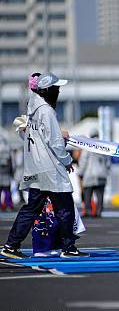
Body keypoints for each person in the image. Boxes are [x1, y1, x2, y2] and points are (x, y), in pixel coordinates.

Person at [1, 72, 88, 259]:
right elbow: (55, 142)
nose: (58, 91)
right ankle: (68, 247)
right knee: (65, 208)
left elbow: (27, 135)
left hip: (35, 168)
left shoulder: (32, 110)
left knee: (30, 208)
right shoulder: (46, 111)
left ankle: (11, 245)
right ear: (47, 90)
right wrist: (67, 161)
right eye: (56, 88)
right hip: (50, 169)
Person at [78, 128, 111, 217]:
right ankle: (99, 211)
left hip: (90, 173)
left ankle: (88, 211)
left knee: (88, 194)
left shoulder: (88, 145)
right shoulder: (104, 145)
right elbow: (108, 161)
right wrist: (107, 171)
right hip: (101, 173)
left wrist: (80, 172)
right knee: (100, 194)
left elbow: (83, 160)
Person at [0, 133, 14, 211]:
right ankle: (9, 205)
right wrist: (12, 173)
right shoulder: (7, 151)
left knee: (6, 191)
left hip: (2, 174)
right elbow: (11, 164)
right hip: (6, 174)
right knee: (7, 191)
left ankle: (5, 206)